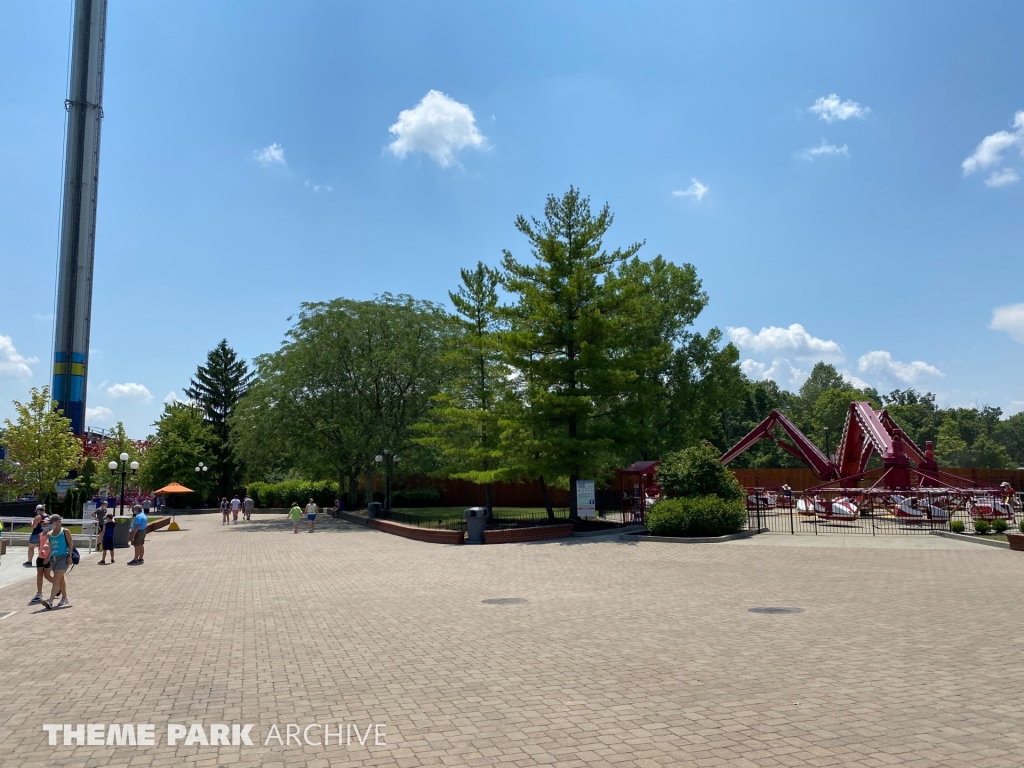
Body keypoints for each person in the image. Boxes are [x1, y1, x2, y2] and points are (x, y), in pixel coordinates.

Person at [41, 514, 74, 609]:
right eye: (50, 522)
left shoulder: (65, 531)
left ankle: (50, 601)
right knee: (60, 579)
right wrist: (45, 552)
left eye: (53, 522)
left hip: (63, 557)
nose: (51, 524)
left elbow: (70, 544)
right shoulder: (49, 533)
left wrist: (69, 556)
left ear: (58, 522)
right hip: (53, 558)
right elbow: (48, 544)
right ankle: (65, 597)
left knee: (56, 578)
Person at [29, 516, 55, 605]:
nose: (43, 525)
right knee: (39, 574)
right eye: (43, 523)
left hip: (49, 557)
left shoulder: (51, 534)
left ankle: (58, 586)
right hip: (40, 557)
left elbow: (52, 546)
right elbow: (40, 545)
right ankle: (39, 593)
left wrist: (48, 557)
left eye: (45, 524)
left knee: (47, 575)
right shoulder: (40, 534)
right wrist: (40, 553)